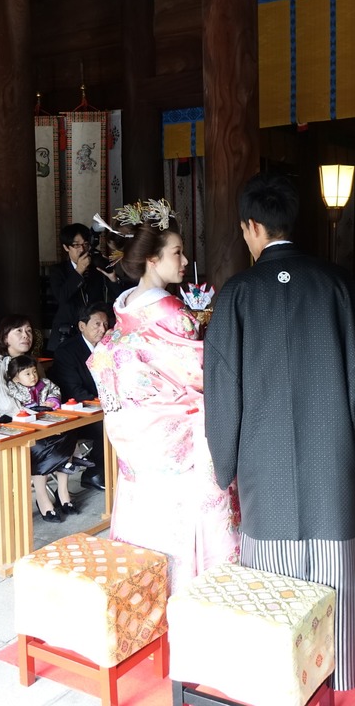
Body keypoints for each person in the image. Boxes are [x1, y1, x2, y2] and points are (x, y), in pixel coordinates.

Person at [203, 173, 355, 692]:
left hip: (262, 460)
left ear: (251, 227)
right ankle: (341, 669)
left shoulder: (238, 294)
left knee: (271, 573)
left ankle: (277, 678)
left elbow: (222, 389)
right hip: (330, 453)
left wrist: (224, 464)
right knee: (336, 561)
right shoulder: (336, 284)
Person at [89, 199, 239, 592]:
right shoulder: (173, 315)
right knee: (186, 524)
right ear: (152, 259)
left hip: (138, 440)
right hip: (178, 443)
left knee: (146, 520)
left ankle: (144, 595)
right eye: (177, 252)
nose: (185, 260)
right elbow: (204, 376)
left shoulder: (124, 307)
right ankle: (193, 593)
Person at [3, 354, 84, 522]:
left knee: (69, 435)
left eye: (34, 372)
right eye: (27, 374)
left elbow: (55, 392)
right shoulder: (11, 389)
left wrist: (51, 402)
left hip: (50, 425)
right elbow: (13, 410)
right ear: (15, 377)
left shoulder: (45, 384)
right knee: (39, 447)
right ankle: (42, 496)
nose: (33, 376)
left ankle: (63, 491)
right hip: (28, 430)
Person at [47, 302, 109, 491]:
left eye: (105, 324)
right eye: (97, 324)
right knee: (110, 424)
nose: (103, 329)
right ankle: (95, 473)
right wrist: (107, 404)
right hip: (78, 412)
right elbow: (75, 391)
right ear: (82, 326)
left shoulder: (109, 347)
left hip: (103, 405)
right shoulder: (67, 351)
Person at [47, 223, 108, 352]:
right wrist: (78, 271)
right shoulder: (58, 270)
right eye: (76, 245)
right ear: (66, 247)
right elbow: (62, 297)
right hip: (66, 331)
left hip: (94, 332)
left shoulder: (97, 269)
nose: (82, 249)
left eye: (85, 244)